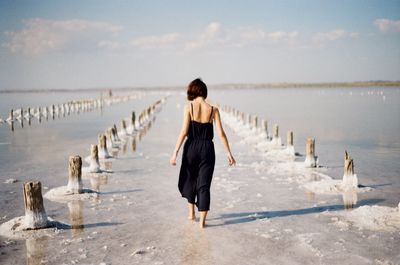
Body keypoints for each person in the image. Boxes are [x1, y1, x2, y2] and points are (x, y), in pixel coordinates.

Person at [170, 78, 236, 228]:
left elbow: (183, 131)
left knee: (190, 180)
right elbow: (221, 134)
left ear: (192, 91)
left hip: (191, 147)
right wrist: (229, 153)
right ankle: (202, 223)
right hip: (207, 149)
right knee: (204, 185)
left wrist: (175, 152)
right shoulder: (214, 109)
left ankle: (191, 213)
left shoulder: (189, 107)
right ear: (204, 92)